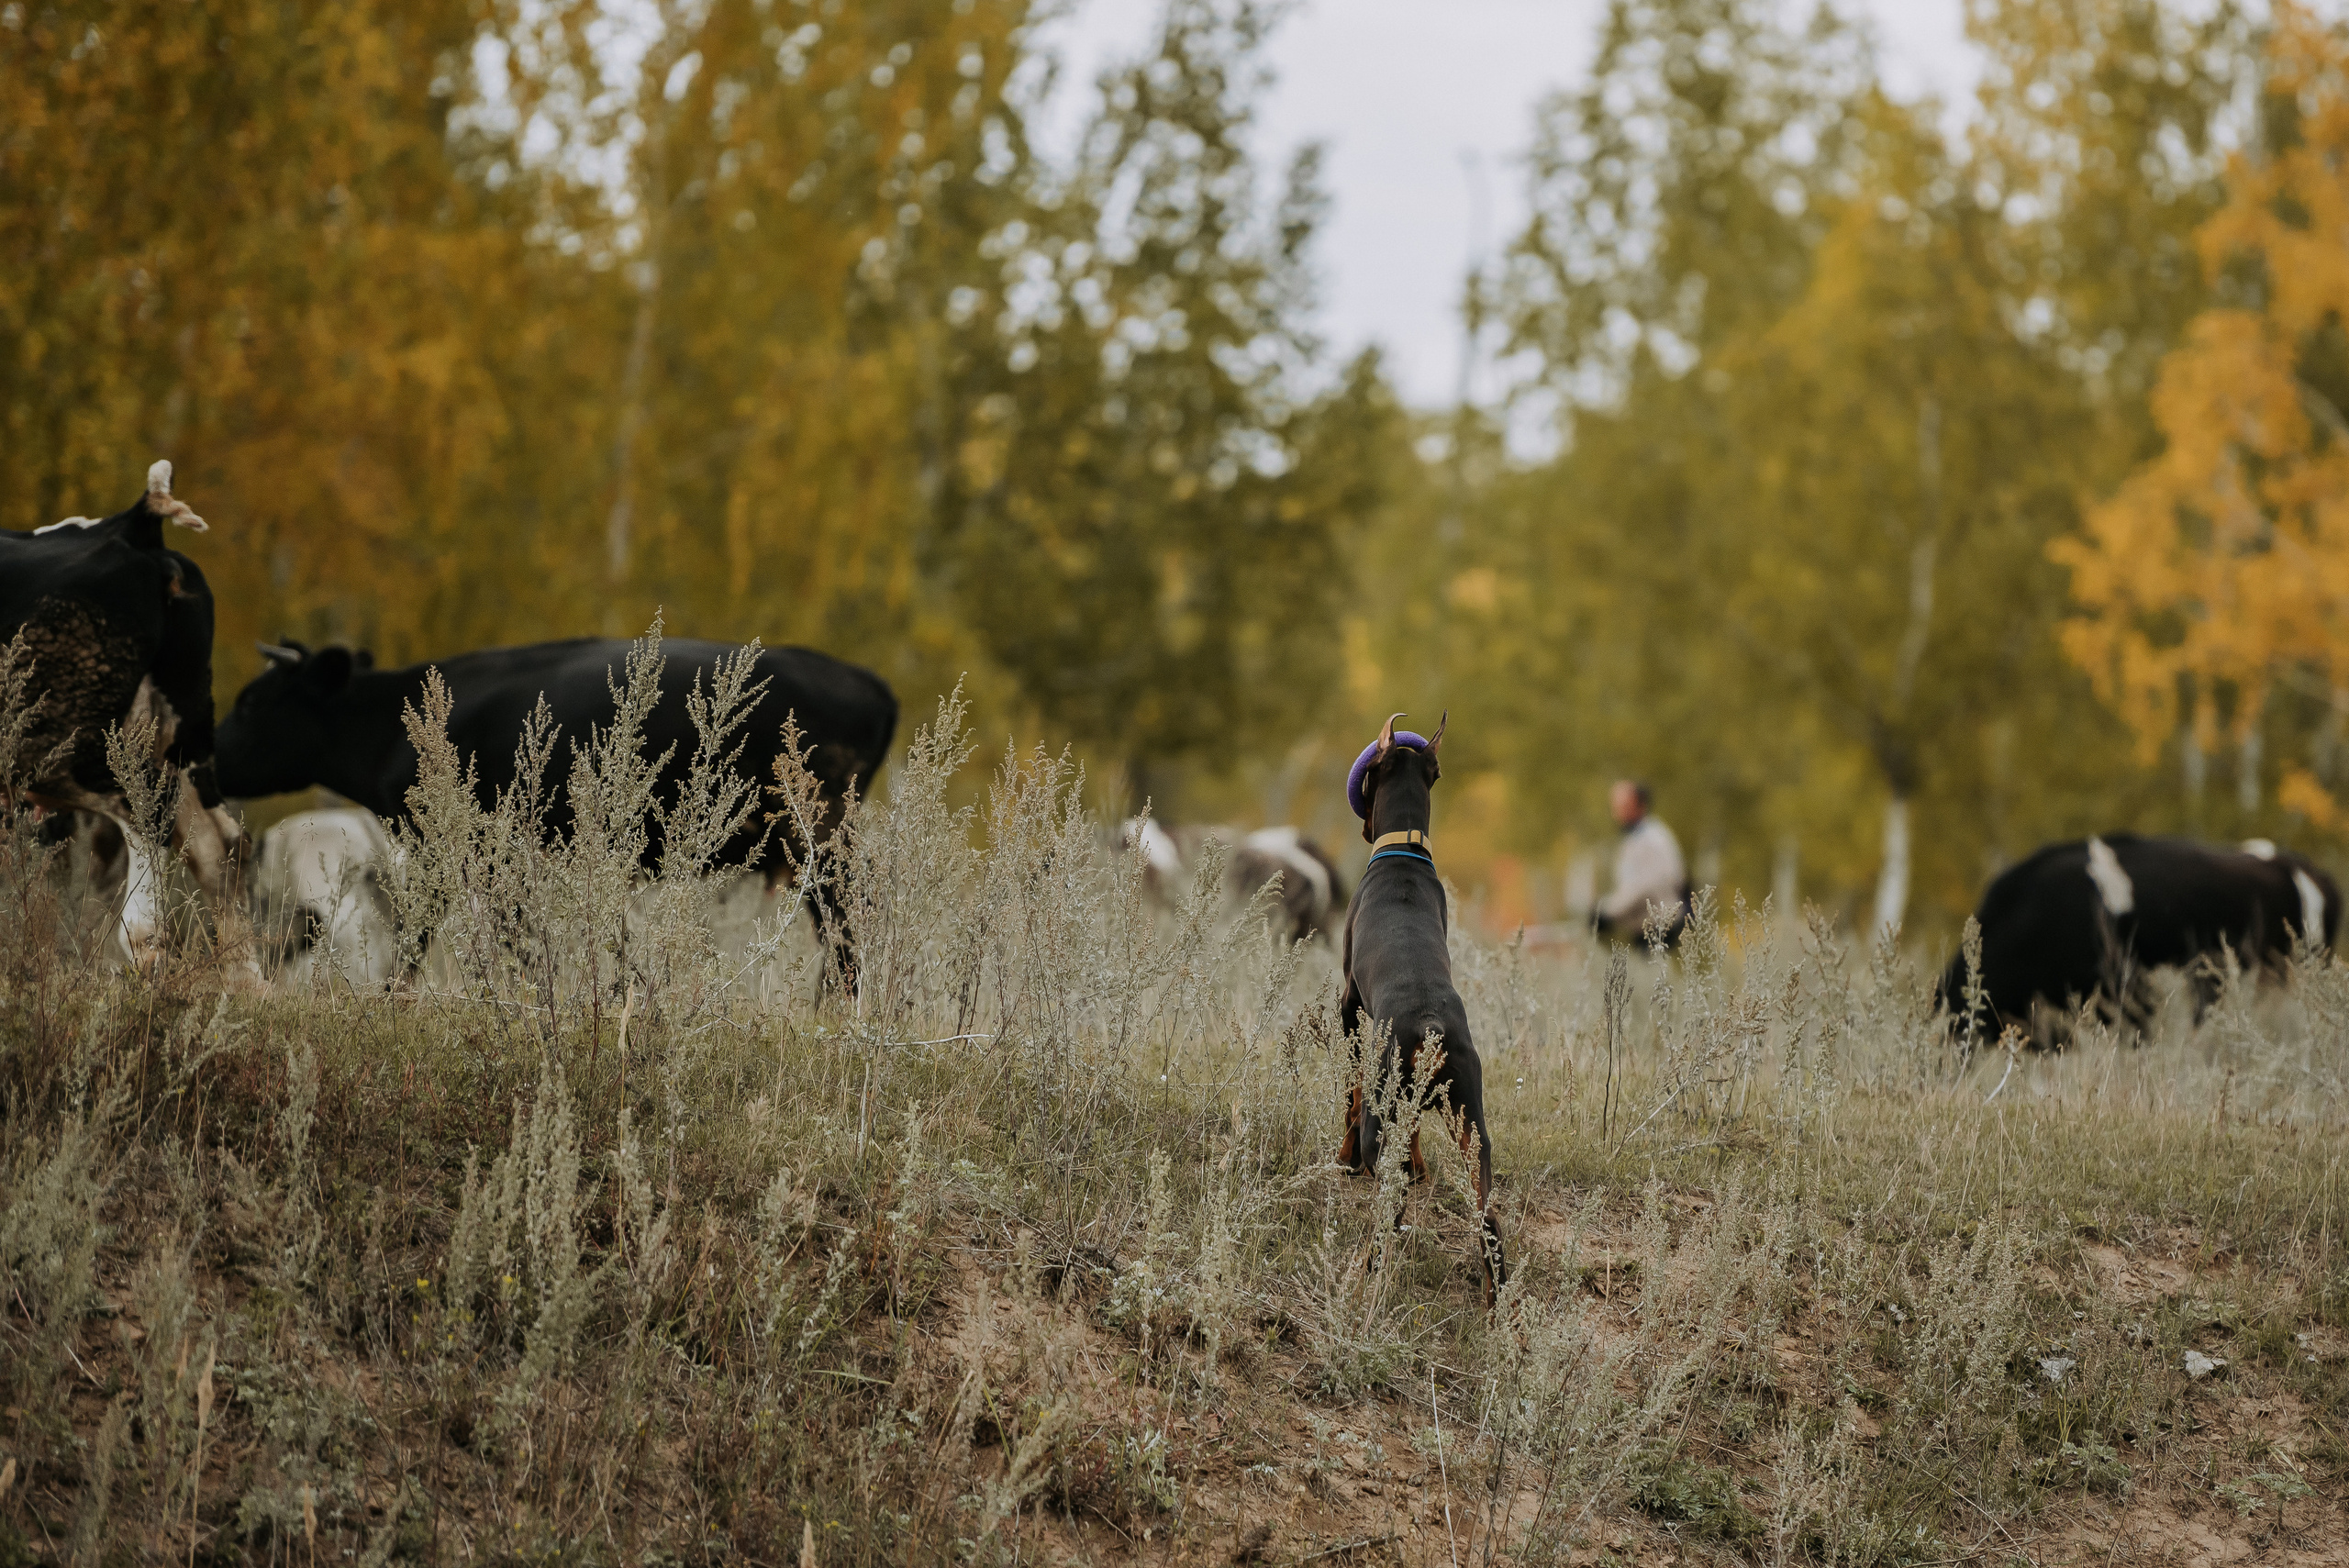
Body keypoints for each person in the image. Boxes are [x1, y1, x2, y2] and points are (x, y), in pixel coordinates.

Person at [1591, 779, 1691, 948]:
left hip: (1661, 929)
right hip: (1646, 929)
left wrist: (1607, 912)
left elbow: (1643, 887)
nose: (1616, 813)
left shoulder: (1653, 839)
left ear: (1640, 805)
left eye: (1623, 806)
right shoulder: (1635, 839)